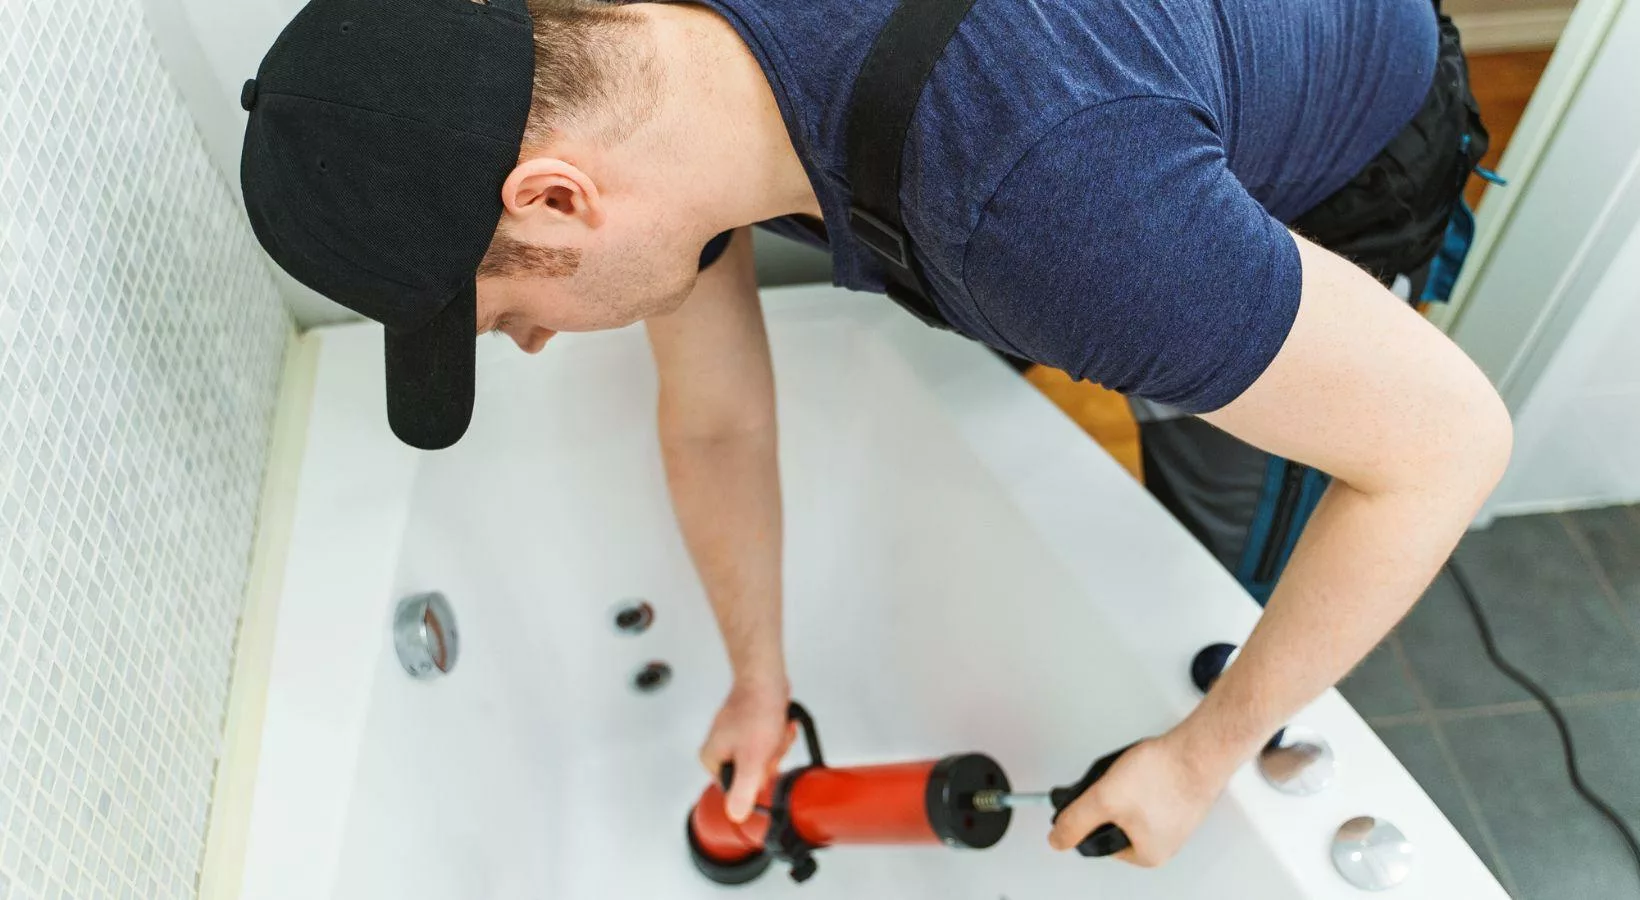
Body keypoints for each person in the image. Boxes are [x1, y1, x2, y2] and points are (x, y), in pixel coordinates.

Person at [238, 0, 1511, 867]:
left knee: (1213, 537)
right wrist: (757, 677)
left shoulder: (1047, 207)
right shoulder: (626, 62)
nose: (529, 344)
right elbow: (716, 418)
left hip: (1339, 136)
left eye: (510, 313)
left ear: (558, 198)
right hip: (1101, 134)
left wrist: (1199, 758)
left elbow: (1442, 449)